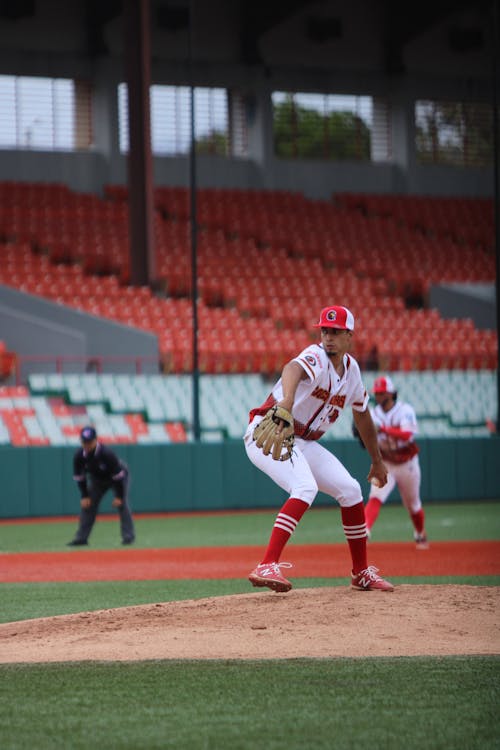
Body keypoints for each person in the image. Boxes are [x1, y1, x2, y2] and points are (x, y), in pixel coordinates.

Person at [244, 305, 394, 593]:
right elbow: (293, 368)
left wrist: (376, 460)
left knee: (351, 490)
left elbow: (362, 413)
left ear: (350, 336)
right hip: (272, 430)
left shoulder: (352, 372)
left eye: (335, 332)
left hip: (304, 440)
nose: (328, 337)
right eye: (325, 330)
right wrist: (287, 400)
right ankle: (267, 563)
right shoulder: (316, 356)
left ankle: (361, 572)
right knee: (305, 487)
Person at [364, 375, 428, 549]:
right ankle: (365, 532)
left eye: (382, 393)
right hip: (386, 463)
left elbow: (407, 434)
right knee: (375, 497)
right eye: (377, 393)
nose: (379, 396)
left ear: (391, 394)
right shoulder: (372, 413)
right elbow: (364, 435)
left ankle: (420, 533)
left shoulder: (405, 410)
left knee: (413, 505)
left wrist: (383, 429)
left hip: (407, 463)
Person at [67, 425, 135, 546]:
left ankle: (128, 536)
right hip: (98, 480)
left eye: (89, 442)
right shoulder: (79, 456)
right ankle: (81, 538)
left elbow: (118, 477)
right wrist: (84, 495)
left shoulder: (106, 454)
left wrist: (119, 496)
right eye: (84, 442)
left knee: (122, 503)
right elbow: (80, 477)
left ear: (95, 440)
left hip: (117, 478)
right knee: (88, 505)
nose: (86, 445)